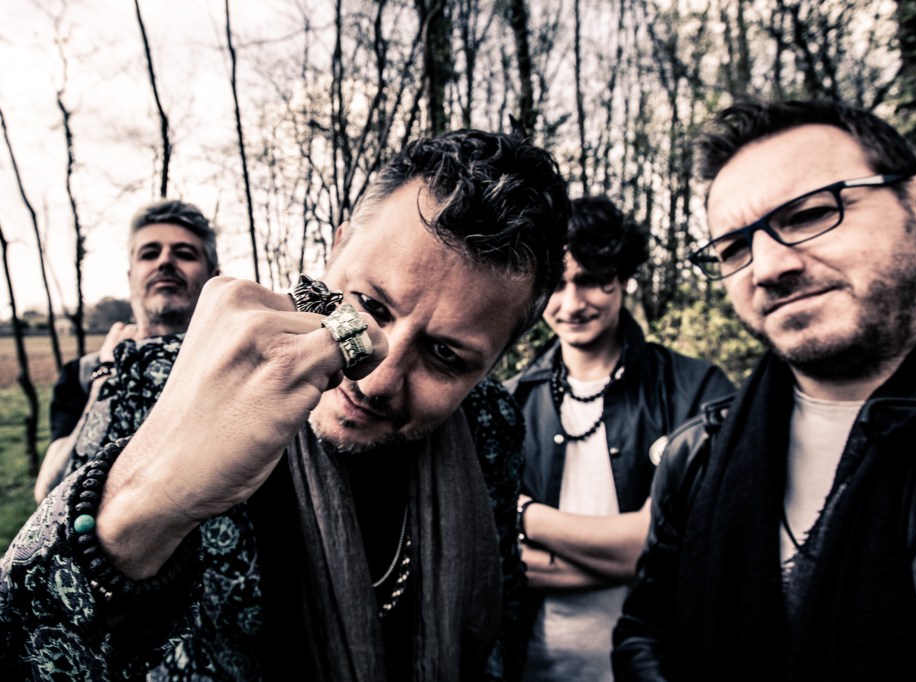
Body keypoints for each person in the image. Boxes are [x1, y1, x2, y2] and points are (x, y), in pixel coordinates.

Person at [1, 129, 570, 681]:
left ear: (494, 361)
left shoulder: (491, 423)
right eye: (369, 305)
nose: (377, 378)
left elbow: (502, 619)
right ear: (338, 246)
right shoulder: (155, 383)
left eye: (445, 355)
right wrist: (146, 500)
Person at [612, 98, 916, 680]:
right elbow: (647, 631)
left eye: (808, 215)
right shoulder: (699, 456)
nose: (767, 268)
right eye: (734, 248)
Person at [505, 196, 733, 681]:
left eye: (592, 280)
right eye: (556, 284)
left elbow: (696, 549)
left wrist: (526, 515)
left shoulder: (698, 390)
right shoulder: (508, 403)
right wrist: (632, 555)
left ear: (624, 276)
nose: (572, 304)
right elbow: (492, 557)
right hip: (530, 666)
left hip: (658, 668)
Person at [36, 199, 220, 502]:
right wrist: (107, 378)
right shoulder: (84, 373)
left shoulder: (241, 363)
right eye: (149, 253)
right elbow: (48, 490)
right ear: (130, 276)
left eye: (185, 254)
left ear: (214, 277)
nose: (165, 261)